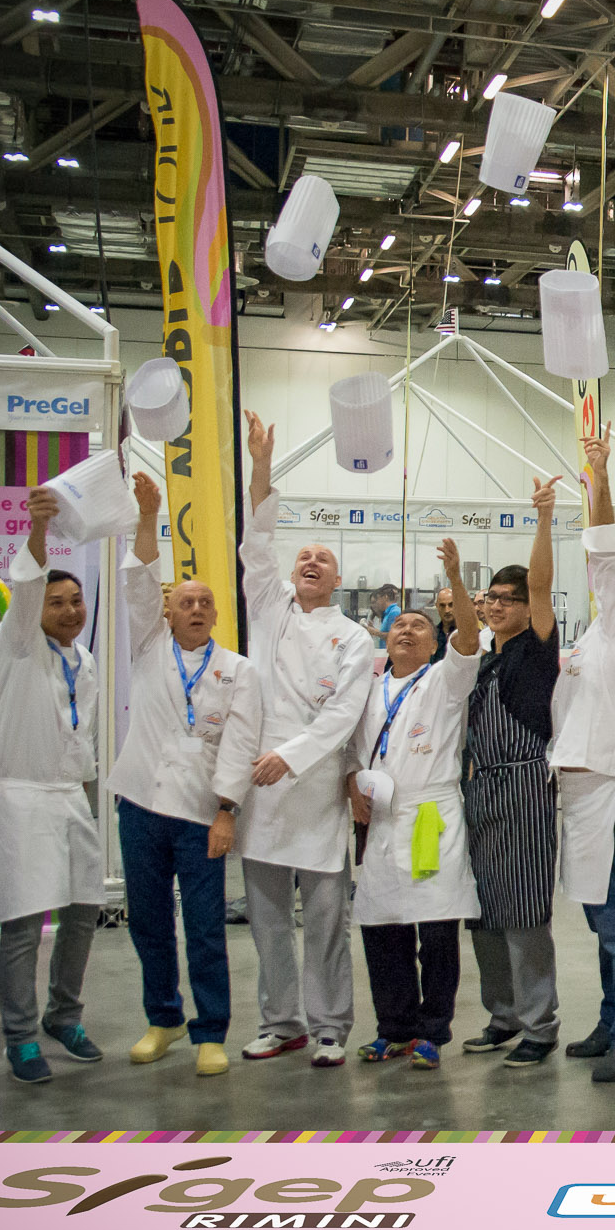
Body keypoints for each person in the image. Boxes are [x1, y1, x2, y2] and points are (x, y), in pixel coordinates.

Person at [106, 472, 262, 1075]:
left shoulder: (238, 670)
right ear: (168, 614)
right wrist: (148, 517)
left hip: (201, 812)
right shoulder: (149, 646)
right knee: (148, 921)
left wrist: (226, 811)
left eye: (205, 603)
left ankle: (211, 1030)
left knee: (203, 928)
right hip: (139, 803)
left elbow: (241, 743)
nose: (196, 609)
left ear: (217, 614)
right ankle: (163, 1018)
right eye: (185, 603)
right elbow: (139, 581)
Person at [235, 414, 374, 1068]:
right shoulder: (268, 608)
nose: (310, 562)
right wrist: (261, 464)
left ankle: (330, 1026)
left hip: (314, 792)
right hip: (261, 795)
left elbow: (342, 717)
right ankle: (280, 1022)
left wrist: (288, 758)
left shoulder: (354, 638)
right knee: (267, 922)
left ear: (337, 578)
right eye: (303, 558)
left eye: (323, 559)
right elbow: (256, 543)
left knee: (324, 923)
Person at [346, 543, 481, 1069]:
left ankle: (432, 1031)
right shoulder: (368, 689)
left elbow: (468, 636)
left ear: (435, 641)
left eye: (419, 626)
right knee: (383, 927)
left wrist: (455, 577)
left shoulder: (445, 679)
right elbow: (351, 750)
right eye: (398, 624)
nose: (406, 630)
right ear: (384, 637)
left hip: (430, 817)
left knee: (437, 929)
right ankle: (394, 1027)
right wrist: (352, 785)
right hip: (381, 819)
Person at [552, 426, 615, 1081]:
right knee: (598, 914)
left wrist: (600, 477)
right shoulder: (596, 637)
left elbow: (603, 557)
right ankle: (609, 1019)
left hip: (603, 789)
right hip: (574, 786)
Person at [0, 487, 105, 1085]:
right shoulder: (18, 645)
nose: (69, 610)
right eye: (56, 602)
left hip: (72, 798)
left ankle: (64, 1015)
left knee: (84, 912)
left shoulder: (84, 660)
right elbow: (27, 584)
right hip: (23, 799)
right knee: (23, 925)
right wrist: (38, 531)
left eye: (76, 600)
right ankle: (20, 1036)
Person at [460, 477, 564, 1066]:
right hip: (480, 790)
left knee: (523, 909)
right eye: (490, 597)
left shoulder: (537, 647)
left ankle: (539, 1026)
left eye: (508, 598)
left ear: (528, 607)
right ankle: (502, 1015)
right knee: (483, 910)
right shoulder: (485, 660)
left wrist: (543, 519)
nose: (495, 605)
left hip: (524, 785)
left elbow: (542, 582)